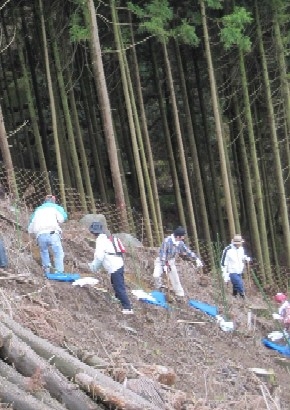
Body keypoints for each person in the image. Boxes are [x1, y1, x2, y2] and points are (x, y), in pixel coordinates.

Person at [88, 222, 133, 315]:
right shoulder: (108, 238)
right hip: (118, 263)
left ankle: (127, 307)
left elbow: (99, 257)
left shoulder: (101, 241)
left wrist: (93, 267)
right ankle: (118, 300)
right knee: (115, 283)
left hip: (114, 266)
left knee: (119, 287)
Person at [153, 226, 203, 297]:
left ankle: (180, 294)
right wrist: (164, 265)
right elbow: (163, 254)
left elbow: (187, 251)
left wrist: (196, 259)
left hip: (171, 261)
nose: (183, 238)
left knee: (175, 278)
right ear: (178, 236)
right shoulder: (167, 241)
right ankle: (159, 288)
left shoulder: (180, 243)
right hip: (161, 261)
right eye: (182, 236)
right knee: (156, 275)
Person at [28, 195, 68, 274]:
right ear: (54, 201)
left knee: (44, 252)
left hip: (40, 235)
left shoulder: (37, 210)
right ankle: (59, 271)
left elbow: (30, 228)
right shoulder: (56, 208)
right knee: (58, 253)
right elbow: (63, 218)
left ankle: (47, 271)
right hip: (52, 233)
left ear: (45, 201)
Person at [220, 234, 251, 298]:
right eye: (238, 243)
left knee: (236, 285)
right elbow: (223, 263)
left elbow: (241, 257)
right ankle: (244, 298)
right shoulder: (228, 250)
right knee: (239, 284)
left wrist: (246, 258)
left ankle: (234, 296)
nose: (239, 244)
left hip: (239, 271)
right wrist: (225, 275)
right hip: (232, 272)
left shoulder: (241, 249)